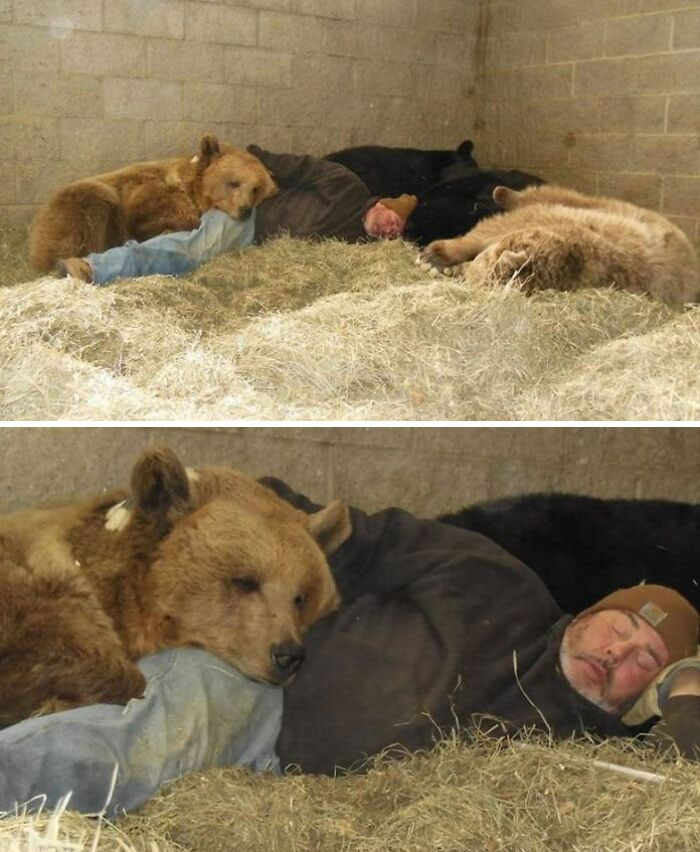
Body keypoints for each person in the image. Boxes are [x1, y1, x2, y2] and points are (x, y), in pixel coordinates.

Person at [0, 483, 698, 815]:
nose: (619, 653)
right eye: (621, 627)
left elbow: (678, 791)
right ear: (593, 611)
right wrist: (256, 506)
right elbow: (358, 539)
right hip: (265, 693)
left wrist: (687, 690)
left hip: (289, 810)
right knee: (134, 749)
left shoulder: (594, 756)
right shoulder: (498, 584)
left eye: (646, 660)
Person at [56, 146, 418, 286]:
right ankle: (93, 268)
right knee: (191, 251)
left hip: (263, 254)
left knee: (192, 265)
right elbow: (296, 166)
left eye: (396, 231)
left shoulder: (358, 242)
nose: (390, 229)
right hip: (247, 221)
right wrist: (249, 157)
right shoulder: (347, 186)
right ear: (382, 204)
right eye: (393, 219)